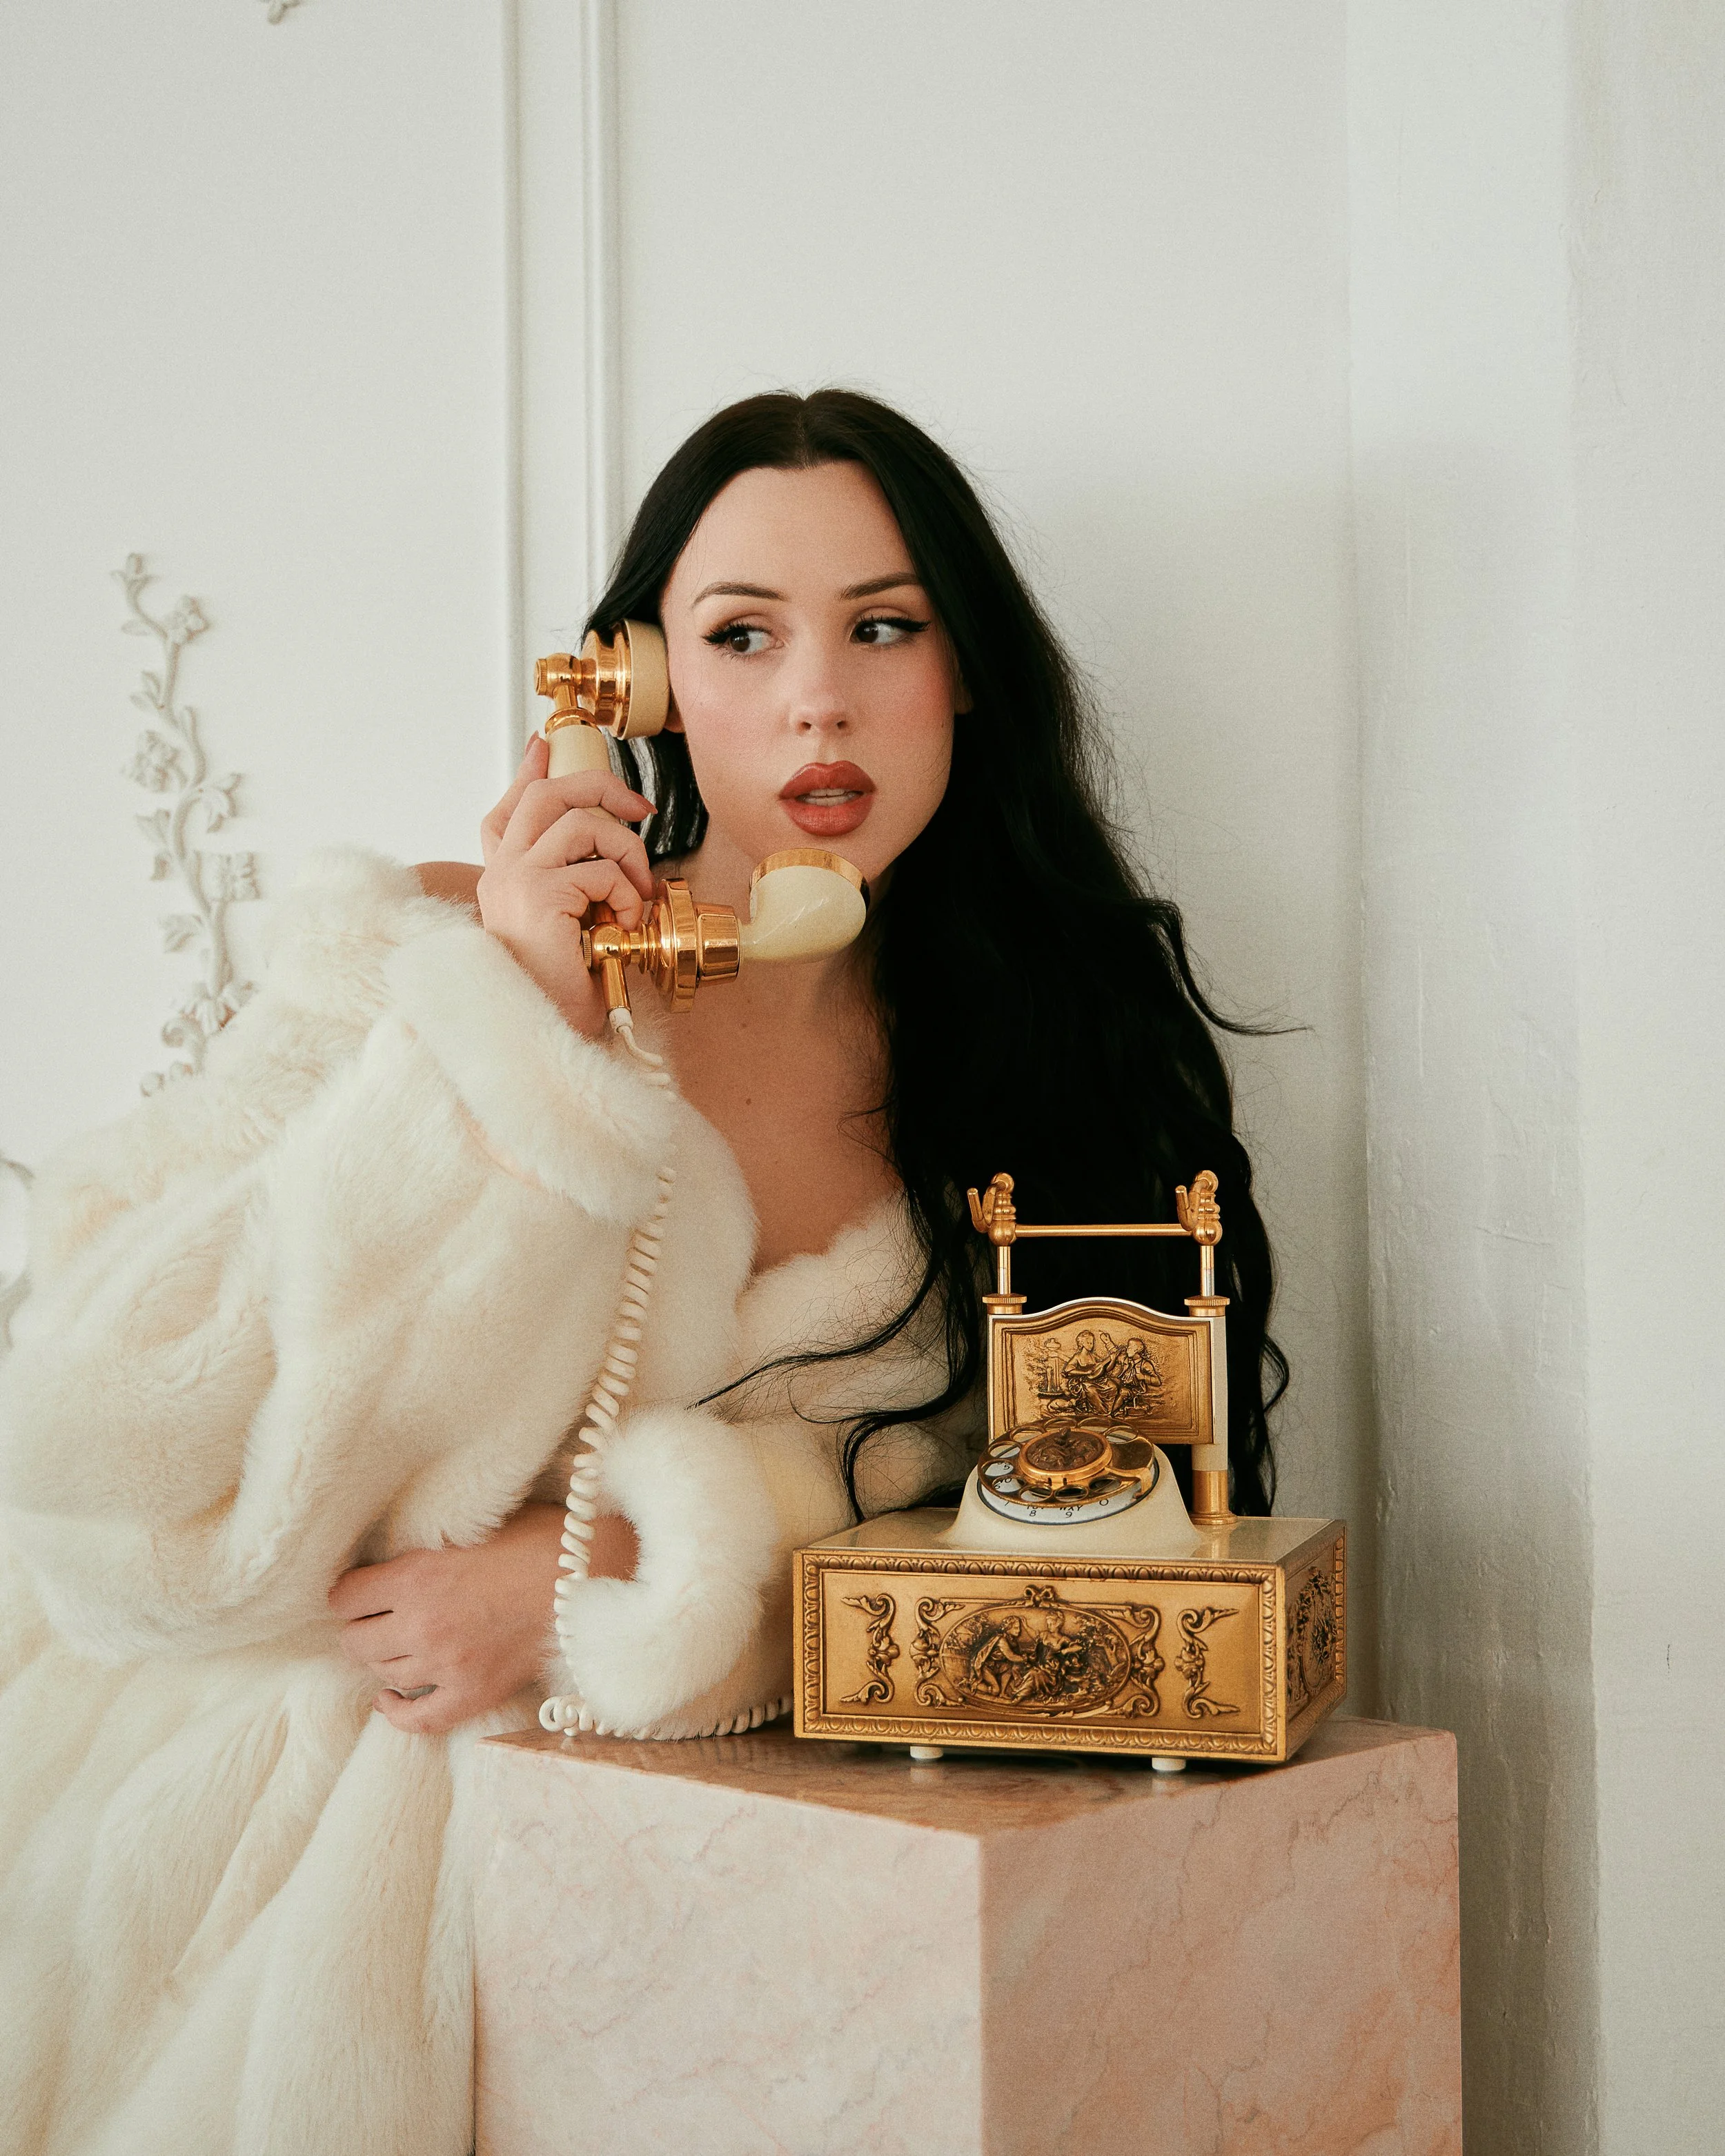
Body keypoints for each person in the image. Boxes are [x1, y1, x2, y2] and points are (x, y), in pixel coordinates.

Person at [0, 388, 1284, 2155]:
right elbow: (108, 1463)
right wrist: (510, 1033)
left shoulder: (1035, 1065)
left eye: (883, 627)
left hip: (711, 1875)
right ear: (637, 682)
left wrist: (623, 1560)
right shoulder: (428, 950)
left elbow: (1053, 1520)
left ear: (962, 670)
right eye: (741, 634)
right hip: (269, 1871)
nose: (818, 697)